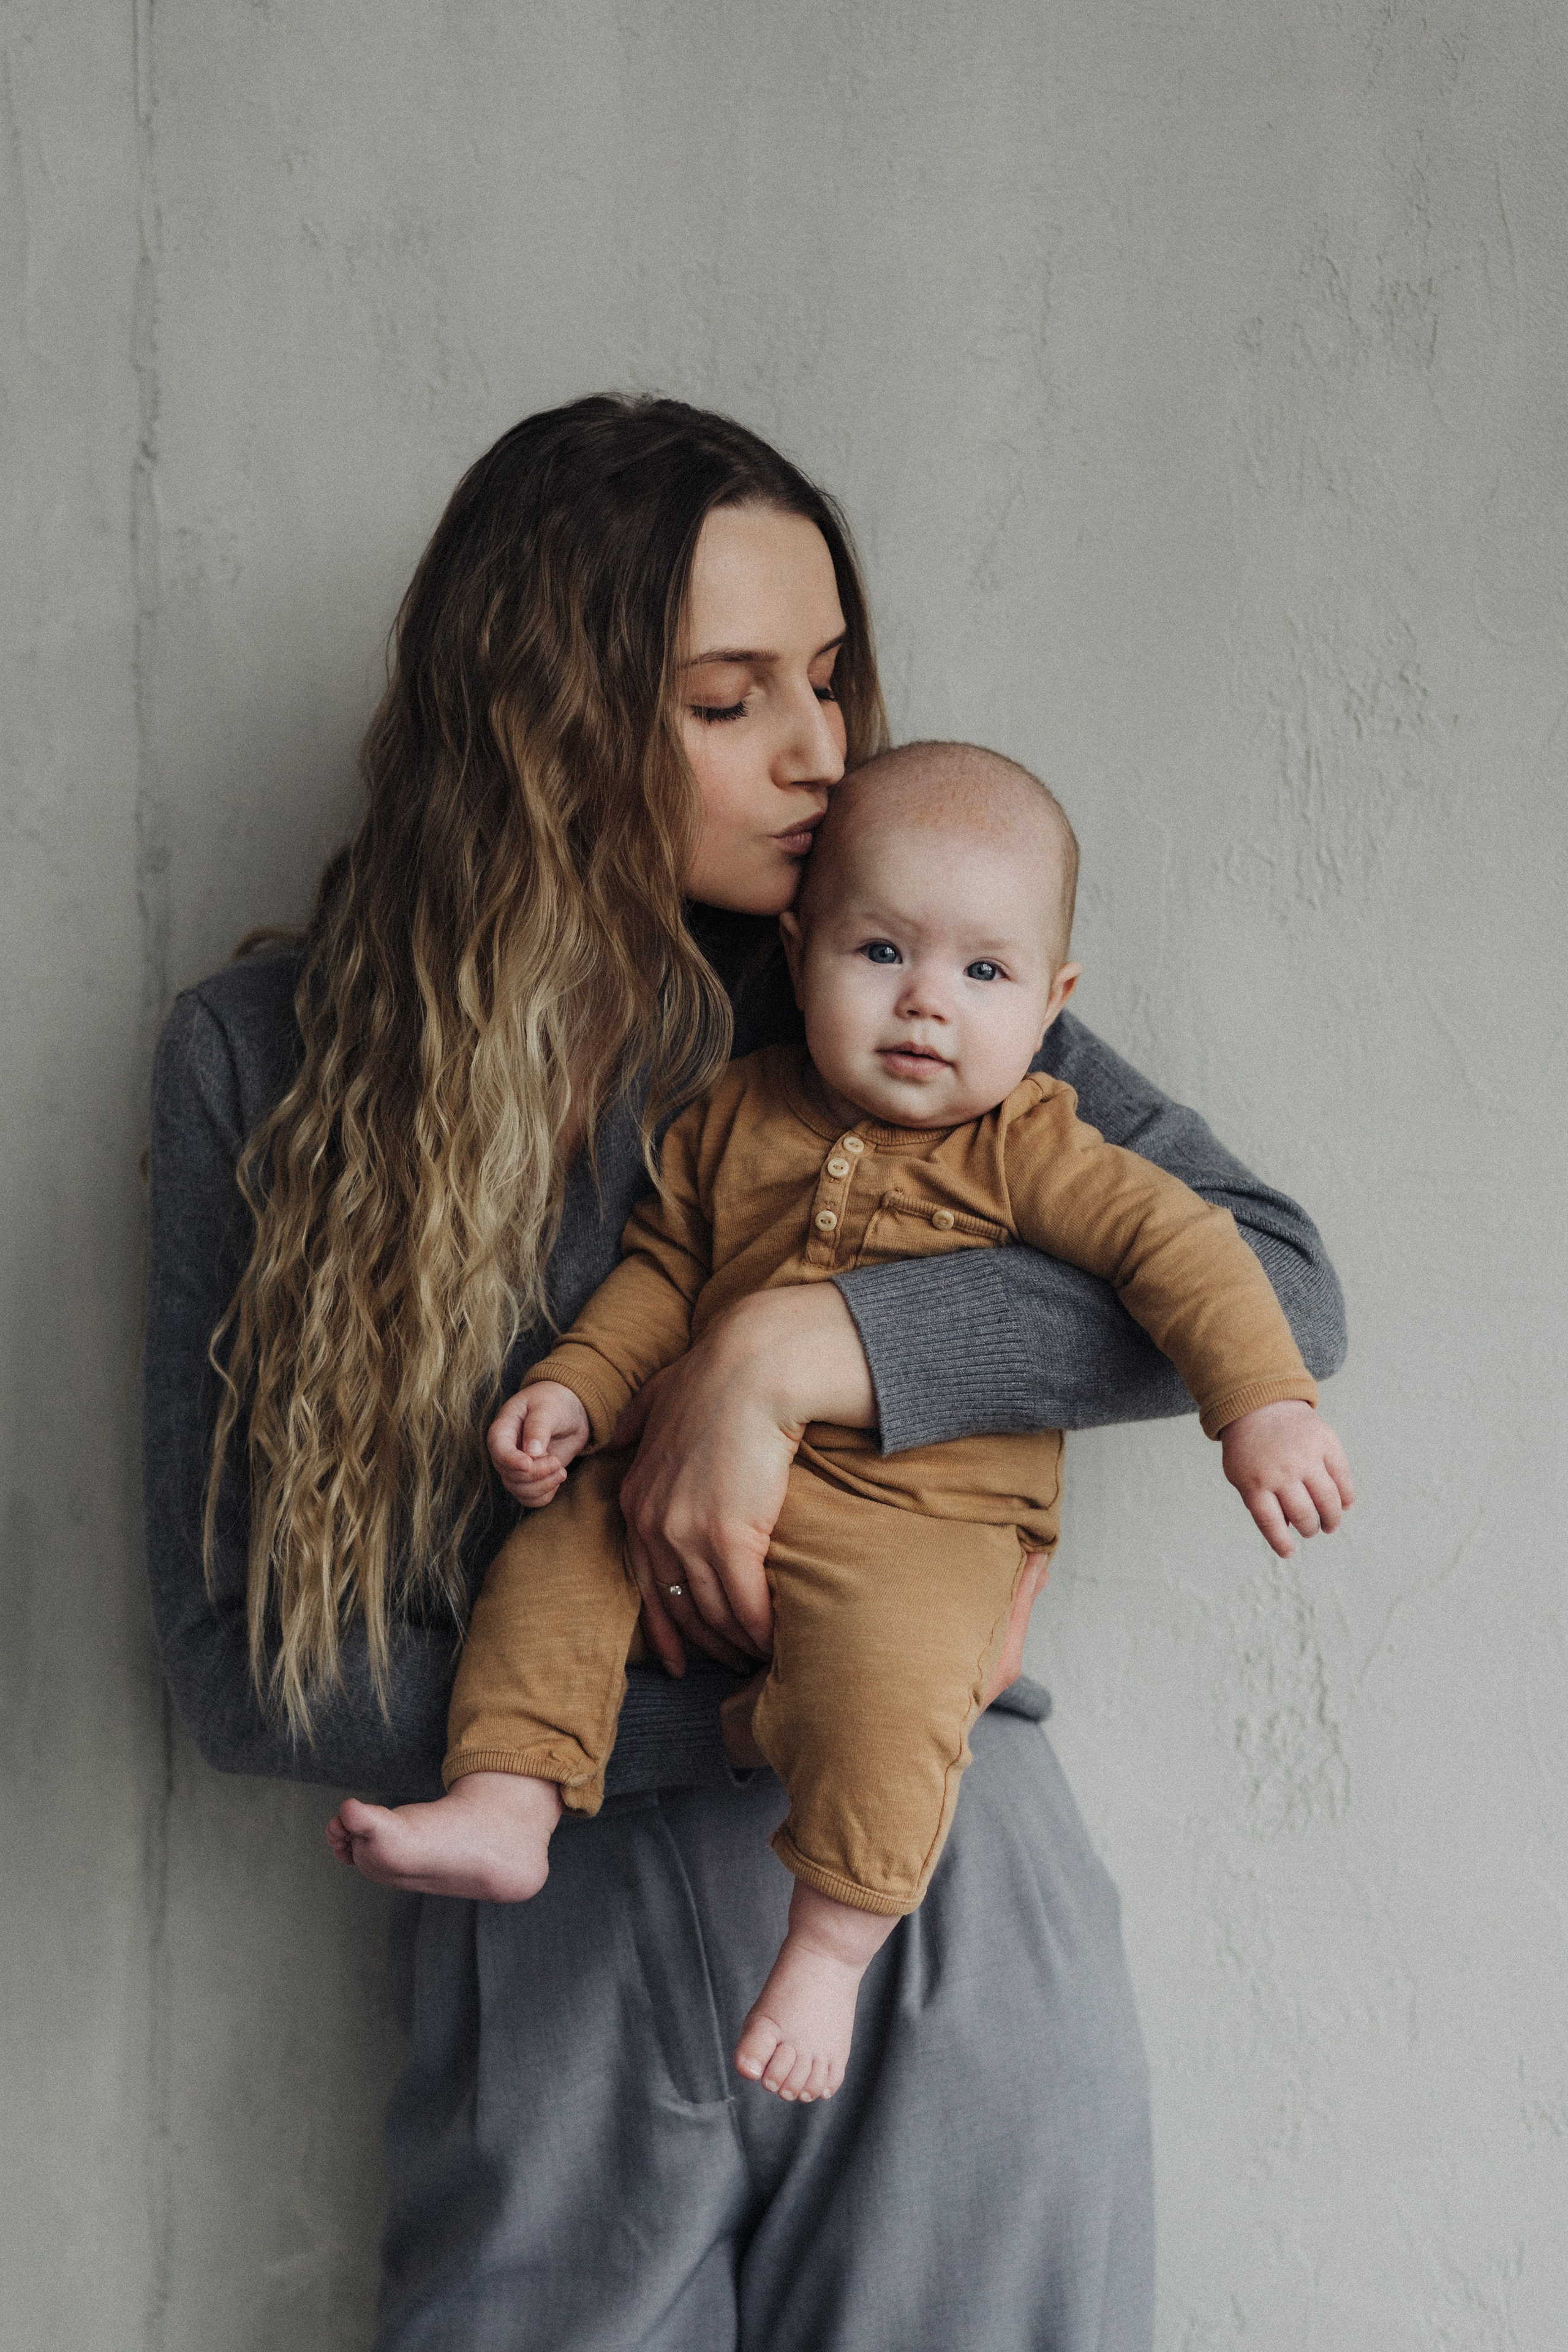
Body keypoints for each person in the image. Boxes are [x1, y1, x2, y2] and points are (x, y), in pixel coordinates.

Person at [143, 394, 1348, 2351]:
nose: (820, 751)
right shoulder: (266, 1058)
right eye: (727, 698)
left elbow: (1271, 1276)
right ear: (548, 721)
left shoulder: (895, 977)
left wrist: (800, 1349)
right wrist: (725, 1720)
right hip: (552, 1948)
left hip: (934, 1912)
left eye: (830, 675)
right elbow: (234, 1649)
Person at [325, 742, 1354, 2106]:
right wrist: (574, 1389)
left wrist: (1261, 1409)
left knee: (894, 1684)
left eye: (982, 975)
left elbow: (1193, 1253)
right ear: (798, 951)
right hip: (675, 1490)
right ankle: (508, 1801)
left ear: (1051, 1004)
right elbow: (658, 1279)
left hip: (923, 1518)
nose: (927, 1003)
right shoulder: (729, 1113)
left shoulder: (1034, 1144)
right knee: (558, 1556)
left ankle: (829, 1945)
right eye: (879, 953)